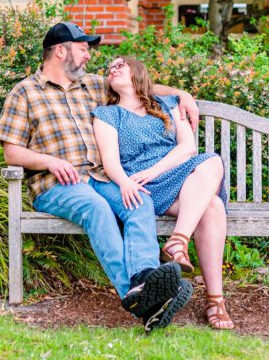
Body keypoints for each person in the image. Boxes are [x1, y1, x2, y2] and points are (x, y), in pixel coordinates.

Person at [0, 22, 200, 331]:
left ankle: (145, 279)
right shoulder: (24, 92)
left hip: (100, 178)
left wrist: (182, 94)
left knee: (138, 201)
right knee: (97, 209)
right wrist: (49, 161)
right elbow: (11, 152)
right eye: (83, 49)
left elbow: (140, 85)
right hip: (58, 185)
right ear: (61, 51)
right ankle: (135, 294)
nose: (89, 56)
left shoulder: (92, 85)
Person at [93, 56, 234, 330]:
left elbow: (188, 148)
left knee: (212, 167)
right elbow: (110, 161)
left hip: (178, 176)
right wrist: (126, 182)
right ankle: (215, 301)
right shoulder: (107, 115)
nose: (113, 69)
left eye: (120, 65)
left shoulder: (168, 105)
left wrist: (155, 170)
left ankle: (178, 244)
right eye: (110, 68)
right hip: (144, 186)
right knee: (212, 205)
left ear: (138, 72)